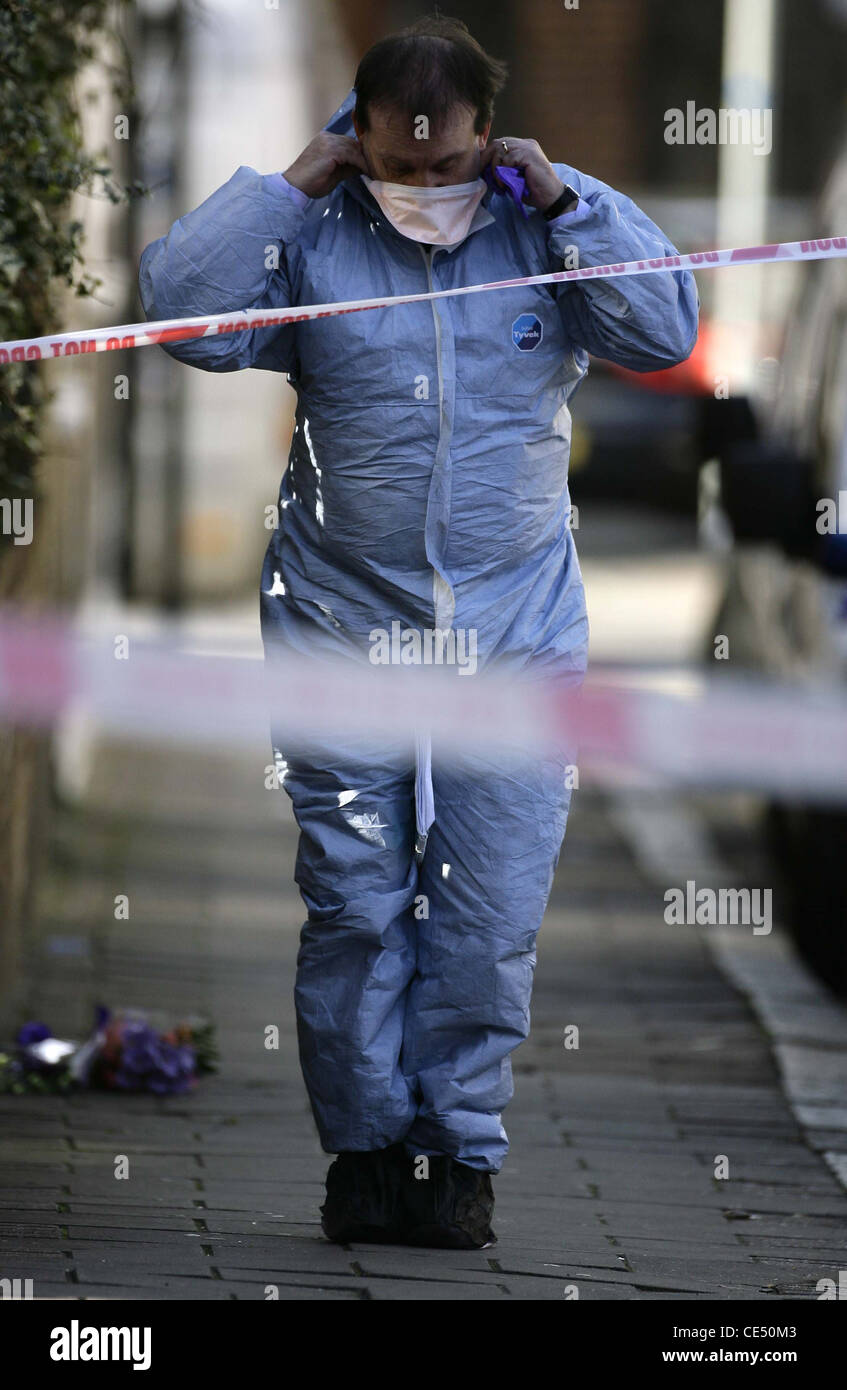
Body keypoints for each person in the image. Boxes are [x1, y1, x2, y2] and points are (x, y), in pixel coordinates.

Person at [138, 14, 698, 1250]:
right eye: (399, 163)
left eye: (448, 166)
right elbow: (183, 317)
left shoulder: (543, 226)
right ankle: (366, 1149)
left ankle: (457, 1153)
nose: (424, 186)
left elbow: (664, 331)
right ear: (359, 137)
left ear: (490, 138)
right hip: (342, 619)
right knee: (354, 901)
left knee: (489, 910)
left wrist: (569, 205)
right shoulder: (316, 233)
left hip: (515, 628)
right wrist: (290, 186)